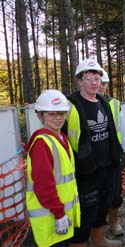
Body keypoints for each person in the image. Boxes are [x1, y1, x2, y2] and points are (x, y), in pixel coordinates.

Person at [64, 58, 122, 247]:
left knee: (102, 207)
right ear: (79, 80)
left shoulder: (103, 102)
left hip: (106, 167)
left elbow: (112, 132)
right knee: (85, 211)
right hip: (85, 170)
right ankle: (79, 243)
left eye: (97, 78)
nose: (94, 82)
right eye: (88, 78)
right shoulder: (69, 105)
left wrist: (117, 156)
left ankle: (98, 240)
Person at [25, 90, 80, 247]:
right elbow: (43, 185)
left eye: (61, 113)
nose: (58, 118)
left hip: (61, 216)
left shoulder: (62, 138)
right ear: (40, 116)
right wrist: (59, 214)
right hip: (52, 219)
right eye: (51, 114)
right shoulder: (42, 144)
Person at [98, 69, 125, 238]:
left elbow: (122, 128)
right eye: (98, 82)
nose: (100, 86)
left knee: (115, 191)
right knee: (96, 193)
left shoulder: (115, 104)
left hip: (113, 155)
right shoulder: (82, 104)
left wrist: (124, 150)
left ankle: (114, 221)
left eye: (104, 83)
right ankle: (97, 226)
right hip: (94, 157)